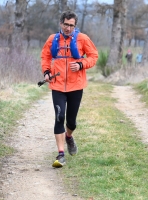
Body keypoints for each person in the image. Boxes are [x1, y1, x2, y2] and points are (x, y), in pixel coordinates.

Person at [41, 10, 98, 168]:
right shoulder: (53, 39)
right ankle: (61, 154)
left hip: (76, 86)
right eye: (66, 24)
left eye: (71, 25)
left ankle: (69, 136)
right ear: (61, 23)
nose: (68, 28)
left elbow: (94, 56)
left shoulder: (82, 38)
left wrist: (81, 64)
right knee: (59, 117)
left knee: (71, 122)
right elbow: (45, 56)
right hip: (57, 85)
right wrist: (46, 72)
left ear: (75, 26)